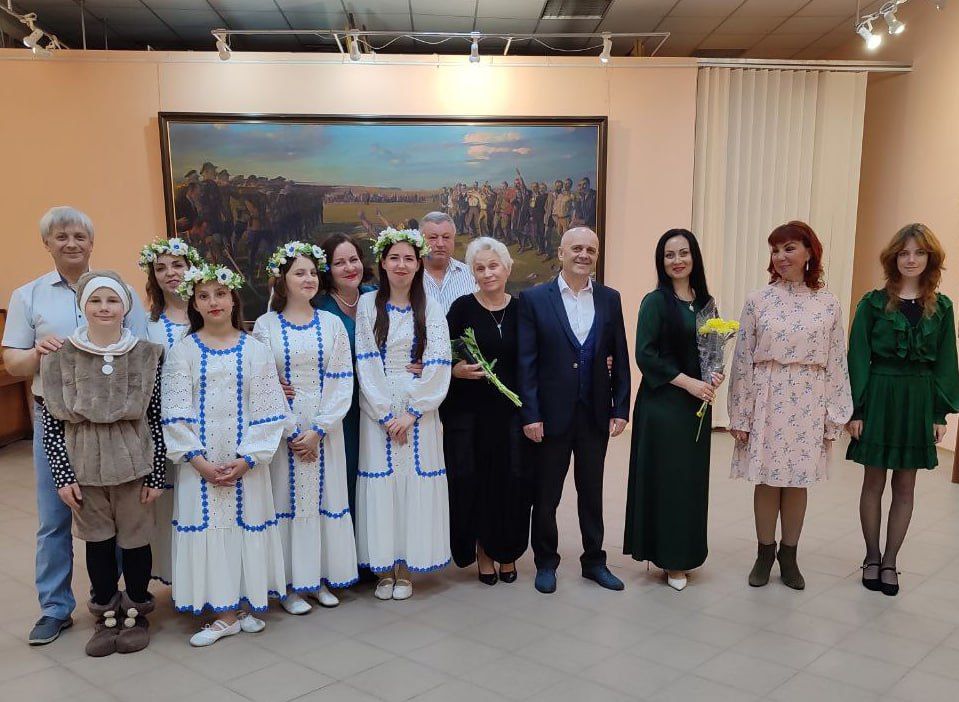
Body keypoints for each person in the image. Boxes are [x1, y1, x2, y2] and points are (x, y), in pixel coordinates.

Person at [2, 206, 148, 646]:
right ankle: (54, 608)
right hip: (59, 420)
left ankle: (119, 604)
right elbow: (13, 362)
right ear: (46, 243)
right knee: (54, 516)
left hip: (117, 427)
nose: (71, 243)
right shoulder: (28, 296)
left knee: (116, 518)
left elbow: (142, 353)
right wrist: (38, 353)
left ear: (91, 243)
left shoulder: (120, 292)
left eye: (79, 236)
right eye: (61, 236)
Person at [161, 264, 288, 646]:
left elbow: (269, 410)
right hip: (200, 464)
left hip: (245, 463)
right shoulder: (182, 351)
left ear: (233, 298)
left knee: (245, 526)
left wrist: (247, 459)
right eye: (203, 296)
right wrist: (199, 462)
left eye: (220, 293)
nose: (212, 301)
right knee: (211, 528)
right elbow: (174, 411)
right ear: (194, 303)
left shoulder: (255, 349)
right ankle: (223, 613)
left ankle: (242, 603)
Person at [39, 271, 165, 657]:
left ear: (125, 307)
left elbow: (156, 417)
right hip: (84, 467)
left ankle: (137, 611)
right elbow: (51, 424)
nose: (104, 308)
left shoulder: (146, 354)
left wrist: (157, 472)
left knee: (135, 542)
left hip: (134, 465)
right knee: (98, 543)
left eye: (112, 300)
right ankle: (106, 614)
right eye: (95, 300)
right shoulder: (59, 356)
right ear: (83, 306)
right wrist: (63, 475)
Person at [728, 221, 853, 591]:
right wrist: (741, 413)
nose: (780, 257)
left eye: (789, 248)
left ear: (809, 251)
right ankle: (764, 553)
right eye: (775, 250)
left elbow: (837, 361)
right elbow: (743, 359)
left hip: (809, 400)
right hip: (767, 397)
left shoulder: (828, 303)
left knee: (798, 482)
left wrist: (835, 415)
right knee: (767, 480)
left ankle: (789, 555)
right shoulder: (758, 300)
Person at [846, 223, 959, 596]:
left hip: (918, 399)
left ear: (930, 259)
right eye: (904, 253)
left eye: (919, 253)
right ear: (893, 258)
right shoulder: (872, 304)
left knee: (906, 484)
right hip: (879, 394)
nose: (911, 260)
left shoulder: (942, 307)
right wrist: (857, 410)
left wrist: (939, 414)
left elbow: (947, 361)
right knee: (873, 481)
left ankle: (891, 561)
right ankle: (872, 556)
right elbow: (857, 357)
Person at [517, 226, 631, 595]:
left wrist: (621, 407)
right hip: (549, 417)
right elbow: (526, 362)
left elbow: (620, 355)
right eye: (577, 248)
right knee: (546, 494)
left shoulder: (610, 299)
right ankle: (545, 562)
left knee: (592, 492)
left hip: (594, 414)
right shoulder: (535, 299)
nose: (584, 255)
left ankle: (594, 561)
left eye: (591, 250)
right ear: (561, 253)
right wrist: (531, 414)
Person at [254, 241, 359, 613]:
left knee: (324, 499)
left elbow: (342, 379)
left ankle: (320, 578)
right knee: (288, 501)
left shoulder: (332, 324)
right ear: (282, 279)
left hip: (324, 427)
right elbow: (263, 383)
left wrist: (319, 429)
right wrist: (291, 431)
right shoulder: (265, 326)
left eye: (313, 272)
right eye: (299, 272)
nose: (308, 278)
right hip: (284, 428)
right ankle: (289, 585)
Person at [354, 228, 452, 600]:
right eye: (394, 258)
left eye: (409, 258)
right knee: (383, 485)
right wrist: (385, 415)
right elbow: (365, 361)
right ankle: (384, 569)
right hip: (377, 409)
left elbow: (439, 361)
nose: (401, 265)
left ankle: (407, 569)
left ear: (418, 264)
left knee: (414, 484)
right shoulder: (368, 305)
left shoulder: (431, 306)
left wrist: (412, 412)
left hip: (420, 411)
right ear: (382, 262)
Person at [624, 230, 722, 591]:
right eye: (669, 255)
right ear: (661, 262)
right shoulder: (655, 302)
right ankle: (671, 560)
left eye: (683, 253)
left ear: (694, 257)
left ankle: (687, 551)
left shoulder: (706, 303)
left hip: (696, 406)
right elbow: (645, 355)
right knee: (668, 483)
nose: (677, 260)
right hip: (663, 406)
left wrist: (714, 374)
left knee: (690, 484)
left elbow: (711, 351)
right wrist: (689, 383)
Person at [441, 237, 530, 585]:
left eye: (494, 265)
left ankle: (507, 550)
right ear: (473, 274)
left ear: (507, 268)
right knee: (476, 483)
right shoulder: (461, 309)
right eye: (480, 268)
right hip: (471, 415)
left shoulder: (523, 309)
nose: (488, 273)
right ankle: (483, 552)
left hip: (512, 415)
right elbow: (440, 355)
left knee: (512, 483)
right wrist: (455, 370)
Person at [141, 237, 204, 586]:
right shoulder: (146, 325)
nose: (170, 273)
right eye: (161, 268)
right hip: (162, 426)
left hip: (207, 424)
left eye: (177, 265)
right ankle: (178, 578)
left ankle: (207, 576)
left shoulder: (207, 314)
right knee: (168, 502)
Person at [420, 211, 478, 313]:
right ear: (421, 240)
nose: (440, 244)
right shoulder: (409, 276)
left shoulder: (471, 275)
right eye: (433, 238)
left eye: (446, 237)